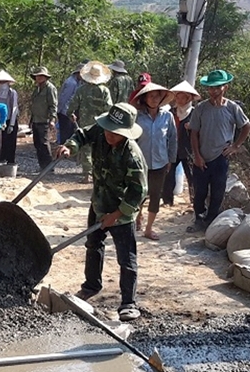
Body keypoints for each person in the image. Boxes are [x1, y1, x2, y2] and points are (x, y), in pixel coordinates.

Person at [55, 103, 148, 322]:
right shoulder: (101, 131)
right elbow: (81, 135)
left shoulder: (132, 157)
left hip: (122, 212)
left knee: (127, 258)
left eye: (115, 134)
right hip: (99, 202)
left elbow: (139, 191)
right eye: (107, 129)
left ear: (125, 133)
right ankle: (91, 286)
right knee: (93, 245)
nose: (109, 135)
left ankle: (128, 303)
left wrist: (116, 215)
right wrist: (70, 147)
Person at [188, 69, 250, 232]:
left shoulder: (232, 108)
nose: (213, 91)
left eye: (217, 87)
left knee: (218, 192)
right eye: (210, 88)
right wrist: (197, 155)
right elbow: (194, 133)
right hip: (202, 156)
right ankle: (199, 219)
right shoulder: (201, 108)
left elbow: (246, 126)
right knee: (200, 191)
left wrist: (235, 146)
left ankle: (211, 221)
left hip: (221, 157)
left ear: (225, 88)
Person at [131, 82, 177, 240]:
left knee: (155, 195)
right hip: (140, 162)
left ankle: (149, 229)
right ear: (144, 98)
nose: (154, 99)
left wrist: (171, 159)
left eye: (157, 96)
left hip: (160, 162)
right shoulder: (137, 116)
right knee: (138, 194)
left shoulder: (167, 116)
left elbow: (172, 138)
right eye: (151, 96)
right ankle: (138, 216)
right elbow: (131, 139)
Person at [68, 61, 113, 184]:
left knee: (86, 148)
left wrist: (70, 114)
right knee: (100, 147)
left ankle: (87, 174)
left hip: (85, 123)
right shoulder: (105, 91)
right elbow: (109, 108)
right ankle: (99, 173)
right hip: (101, 123)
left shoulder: (81, 90)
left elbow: (72, 105)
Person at [162, 80, 201, 206]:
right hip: (173, 148)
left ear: (188, 98)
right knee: (168, 175)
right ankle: (167, 200)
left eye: (182, 97)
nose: (178, 99)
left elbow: (202, 130)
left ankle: (194, 201)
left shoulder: (195, 113)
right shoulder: (172, 113)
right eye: (177, 96)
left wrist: (193, 128)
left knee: (192, 176)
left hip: (189, 149)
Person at [0, 70, 20, 166]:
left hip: (10, 120)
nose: (2, 84)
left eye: (4, 82)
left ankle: (10, 161)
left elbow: (14, 107)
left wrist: (12, 124)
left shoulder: (12, 93)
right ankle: (0, 160)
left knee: (11, 141)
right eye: (0, 82)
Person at [29, 66, 58, 170]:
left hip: (44, 120)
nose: (39, 78)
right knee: (38, 144)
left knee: (44, 144)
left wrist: (52, 120)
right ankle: (42, 167)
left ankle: (49, 168)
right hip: (36, 120)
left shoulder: (50, 88)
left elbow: (53, 105)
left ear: (46, 77)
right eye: (37, 76)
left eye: (41, 76)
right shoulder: (37, 89)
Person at [58, 63, 84, 144]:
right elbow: (64, 98)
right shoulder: (71, 83)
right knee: (65, 134)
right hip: (65, 112)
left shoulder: (78, 82)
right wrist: (59, 111)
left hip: (71, 112)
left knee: (70, 133)